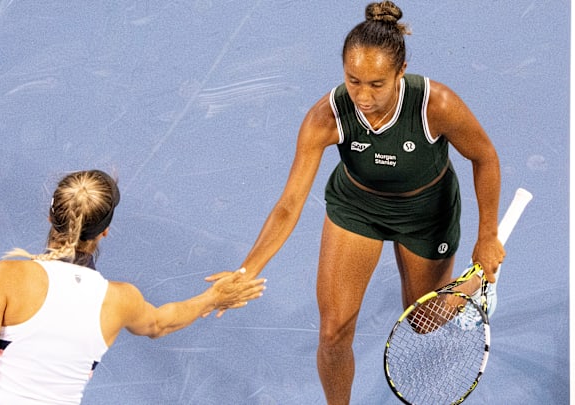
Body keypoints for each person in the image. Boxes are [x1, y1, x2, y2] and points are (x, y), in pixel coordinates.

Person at [207, 2, 504, 404]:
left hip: (426, 215)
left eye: (377, 84)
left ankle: (477, 280)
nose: (363, 95)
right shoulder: (326, 117)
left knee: (424, 321)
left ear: (400, 73)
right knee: (332, 333)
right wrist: (247, 270)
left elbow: (484, 157)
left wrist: (487, 234)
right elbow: (289, 205)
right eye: (353, 81)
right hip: (357, 209)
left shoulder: (437, 105)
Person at [0, 169, 266, 405]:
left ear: (51, 216)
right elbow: (163, 322)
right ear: (104, 232)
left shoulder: (9, 277)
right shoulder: (120, 301)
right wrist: (213, 297)